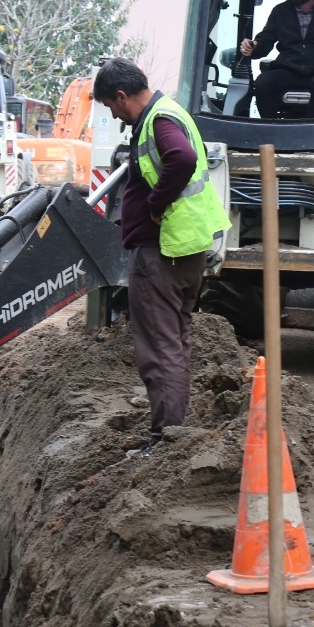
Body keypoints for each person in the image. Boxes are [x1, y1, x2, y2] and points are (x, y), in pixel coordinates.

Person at [92, 58, 232, 458]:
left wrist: (155, 203)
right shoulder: (170, 111)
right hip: (183, 249)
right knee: (175, 342)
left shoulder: (158, 121)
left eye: (110, 106)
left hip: (163, 253)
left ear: (121, 96)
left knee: (160, 349)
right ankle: (173, 431)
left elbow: (183, 160)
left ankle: (166, 440)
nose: (114, 115)